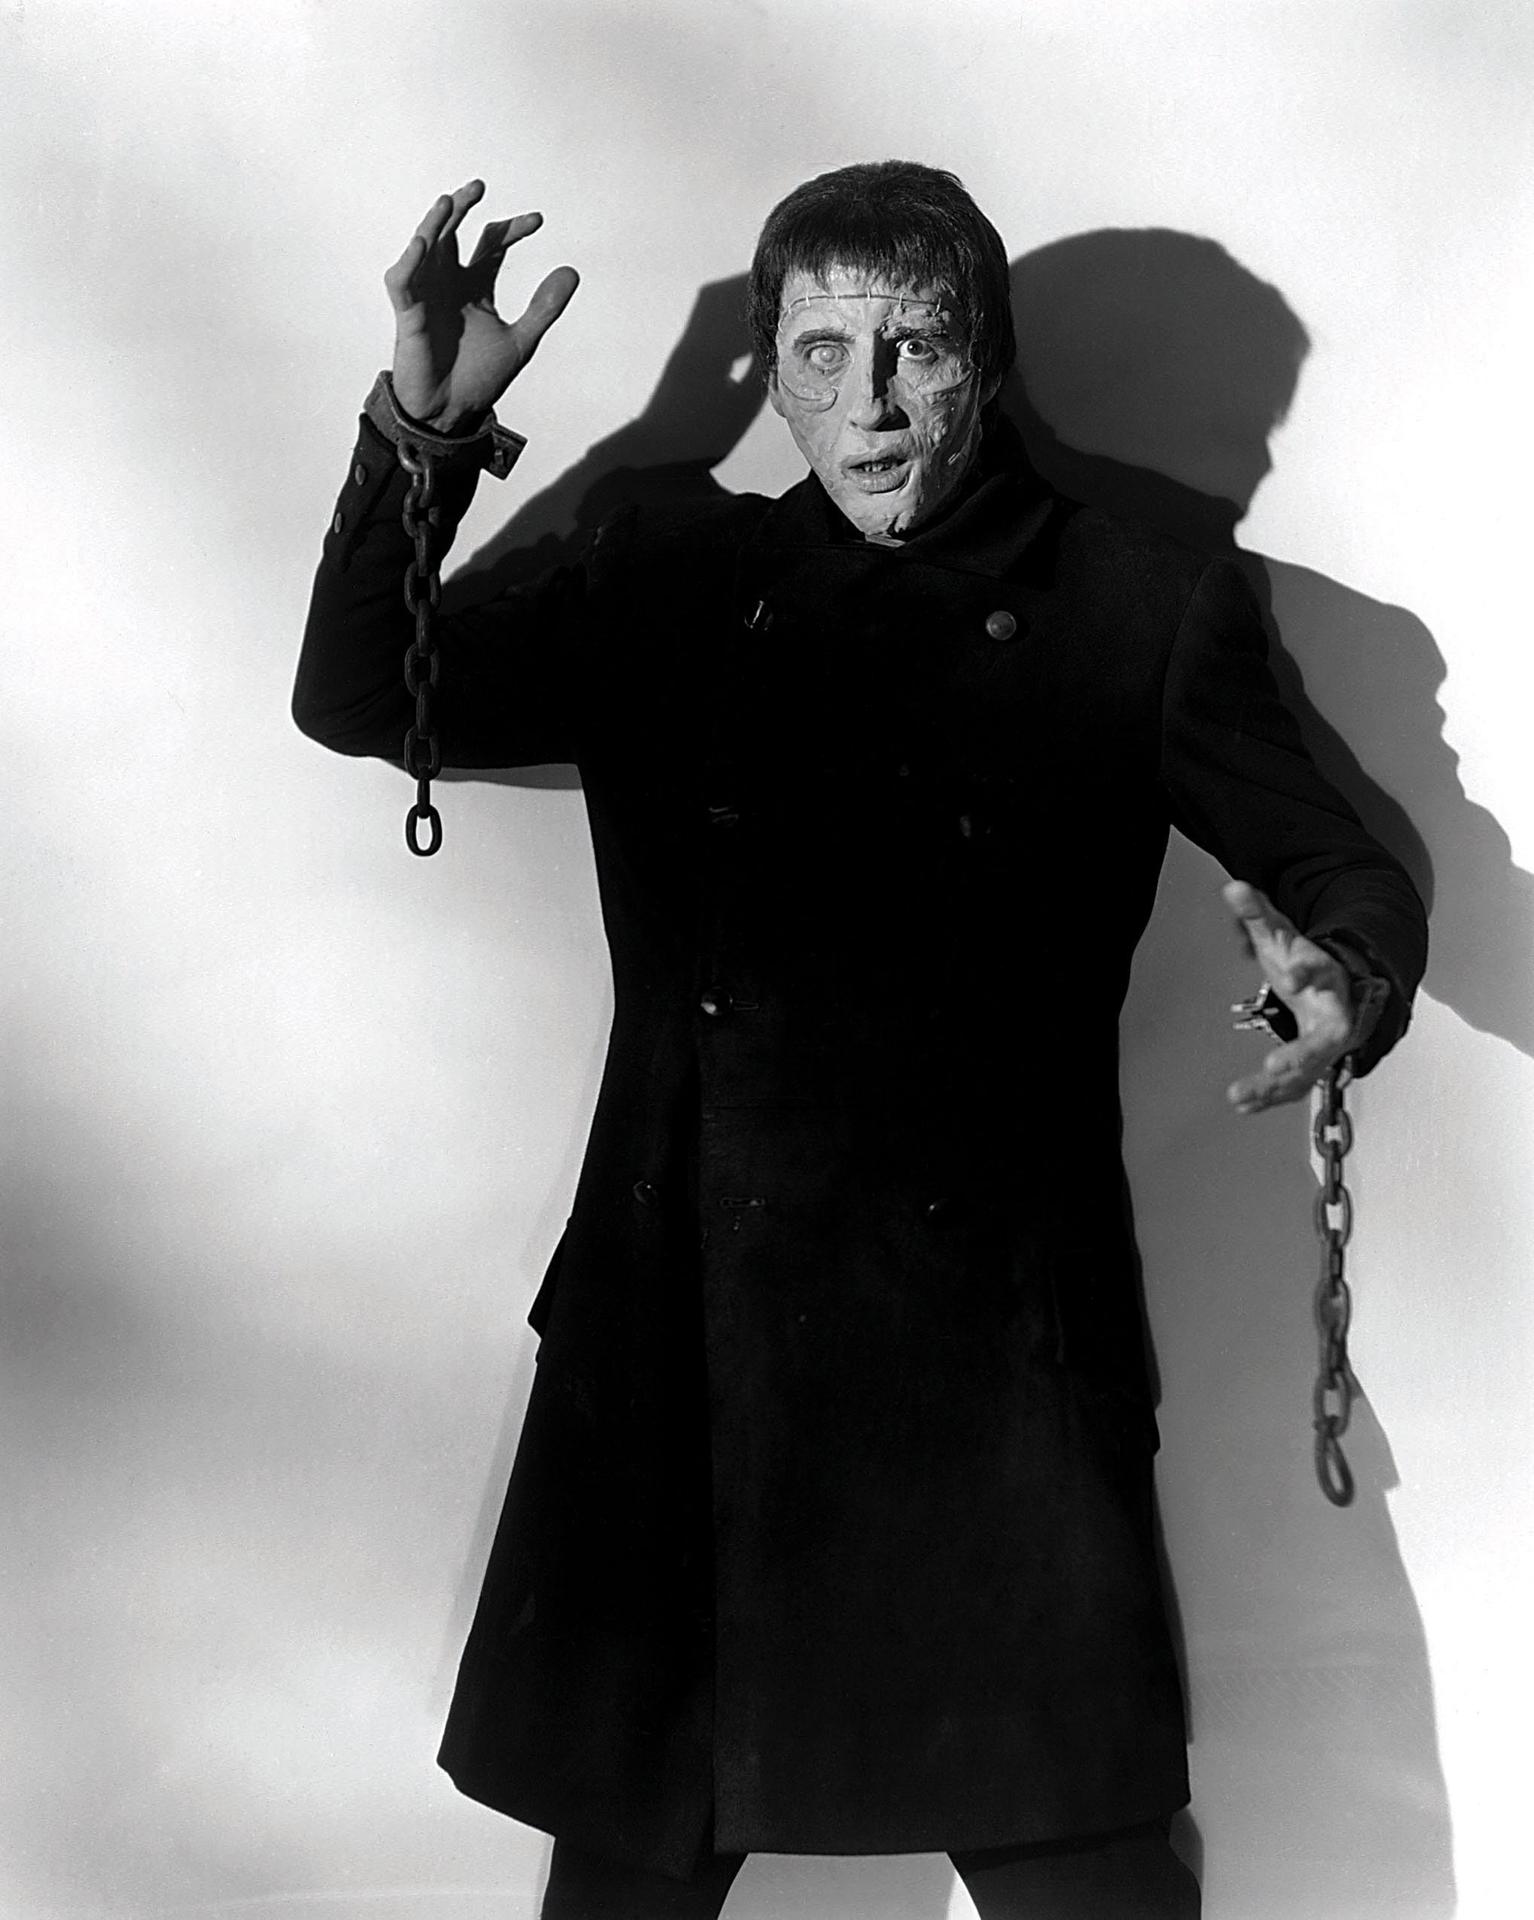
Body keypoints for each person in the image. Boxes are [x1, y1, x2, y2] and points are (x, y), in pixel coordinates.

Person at [292, 163, 1427, 1919]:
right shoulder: (666, 572)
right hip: (681, 1346)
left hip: (984, 1385)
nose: (871, 405)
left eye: (917, 350)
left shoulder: (1134, 601)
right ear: (772, 369)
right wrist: (423, 435)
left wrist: (1343, 980)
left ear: (989, 359)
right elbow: (366, 695)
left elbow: (1337, 862)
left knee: (1084, 1866)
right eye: (820, 354)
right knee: (631, 1871)